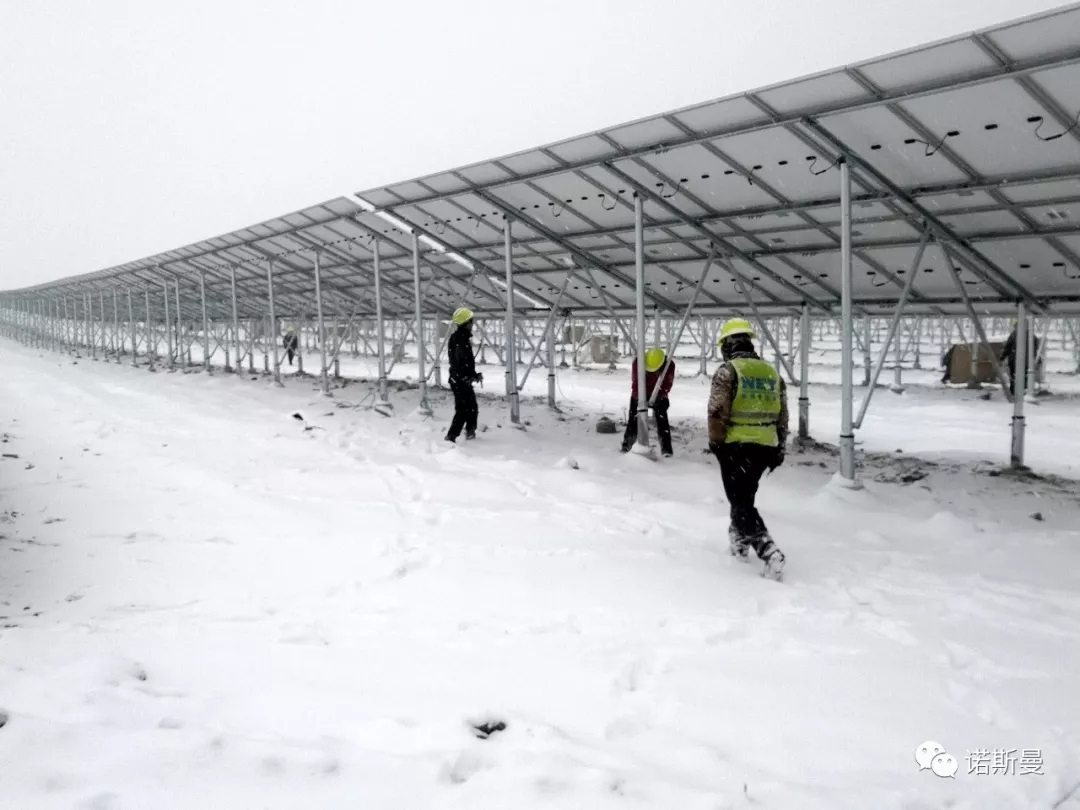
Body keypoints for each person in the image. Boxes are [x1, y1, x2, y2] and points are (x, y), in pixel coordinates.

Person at [706, 318, 787, 580]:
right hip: (765, 446)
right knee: (744, 497)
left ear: (727, 345)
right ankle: (738, 542)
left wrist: (717, 443)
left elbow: (717, 411)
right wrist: (780, 447)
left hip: (736, 445)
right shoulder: (771, 372)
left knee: (740, 502)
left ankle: (768, 549)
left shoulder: (728, 371)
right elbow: (783, 415)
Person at [620, 347, 675, 457]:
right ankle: (627, 446)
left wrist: (657, 397)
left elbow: (667, 385)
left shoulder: (669, 365)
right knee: (634, 419)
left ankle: (666, 450)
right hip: (640, 391)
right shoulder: (638, 362)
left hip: (659, 392)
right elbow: (636, 384)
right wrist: (640, 399)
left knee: (662, 419)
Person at [445, 307, 482, 443]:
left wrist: (473, 375)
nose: (472, 324)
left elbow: (464, 362)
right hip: (460, 380)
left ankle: (470, 432)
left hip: (460, 379)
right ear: (466, 323)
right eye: (471, 322)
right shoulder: (461, 340)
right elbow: (460, 362)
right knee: (463, 410)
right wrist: (468, 376)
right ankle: (451, 437)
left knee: (472, 408)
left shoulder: (460, 338)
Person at [1001, 319, 1041, 396]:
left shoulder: (1013, 335)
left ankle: (1014, 392)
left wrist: (1002, 357)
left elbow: (1007, 348)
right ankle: (1024, 391)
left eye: (1016, 326)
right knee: (1025, 376)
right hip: (1025, 361)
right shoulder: (1031, 335)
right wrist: (1038, 359)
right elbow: (1035, 348)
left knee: (1015, 377)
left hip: (1015, 361)